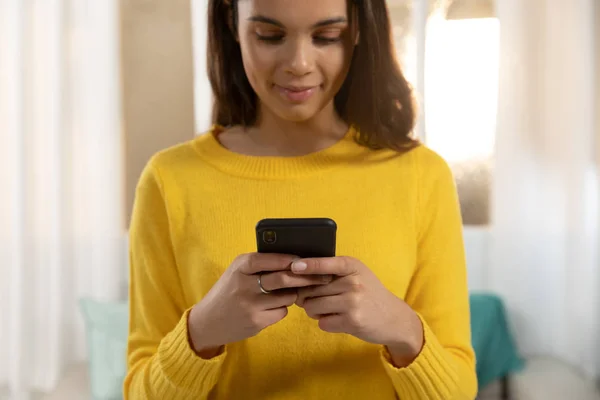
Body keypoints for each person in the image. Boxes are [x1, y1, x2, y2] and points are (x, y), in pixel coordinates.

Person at [123, 0, 477, 398]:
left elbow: (459, 390)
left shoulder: (420, 175)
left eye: (327, 37)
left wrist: (401, 327)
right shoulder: (169, 180)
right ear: (231, 24)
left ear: (359, 30)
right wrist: (201, 331)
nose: (299, 63)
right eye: (270, 35)